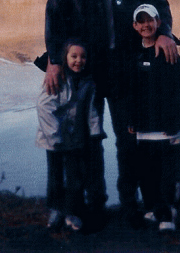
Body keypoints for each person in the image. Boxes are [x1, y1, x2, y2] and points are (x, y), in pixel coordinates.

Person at [43, 0, 178, 226]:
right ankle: (95, 205)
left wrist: (165, 33)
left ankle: (131, 205)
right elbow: (54, 22)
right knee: (87, 142)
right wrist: (54, 60)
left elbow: (159, 7)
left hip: (125, 72)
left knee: (128, 140)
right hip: (84, 74)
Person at [35, 39, 106, 232]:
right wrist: (54, 136)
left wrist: (95, 132)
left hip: (75, 138)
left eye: (82, 57)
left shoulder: (89, 82)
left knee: (75, 176)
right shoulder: (56, 78)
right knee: (56, 175)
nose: (78, 61)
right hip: (54, 139)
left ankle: (72, 211)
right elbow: (44, 107)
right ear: (65, 58)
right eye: (73, 56)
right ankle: (56, 209)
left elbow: (92, 111)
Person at [129, 4, 180, 232]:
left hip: (169, 128)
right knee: (148, 173)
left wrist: (177, 123)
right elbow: (133, 92)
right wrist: (133, 120)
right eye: (141, 21)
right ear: (135, 26)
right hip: (145, 128)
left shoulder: (169, 51)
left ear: (159, 22)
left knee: (170, 175)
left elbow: (179, 91)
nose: (146, 25)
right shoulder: (135, 55)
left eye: (150, 20)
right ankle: (154, 208)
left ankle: (168, 214)